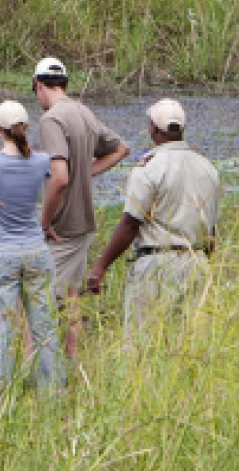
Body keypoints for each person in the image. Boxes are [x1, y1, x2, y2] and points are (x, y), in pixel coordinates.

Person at [86, 99, 222, 338]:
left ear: (153, 129)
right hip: (196, 262)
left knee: (143, 342)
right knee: (189, 340)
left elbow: (130, 224)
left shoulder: (148, 167)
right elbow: (211, 231)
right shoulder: (208, 168)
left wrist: (101, 266)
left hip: (156, 264)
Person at [31, 56, 129, 360]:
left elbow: (58, 178)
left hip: (62, 226)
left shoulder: (51, 120)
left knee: (41, 301)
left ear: (38, 85)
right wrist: (86, 173)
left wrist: (44, 223)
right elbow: (121, 148)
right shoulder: (83, 112)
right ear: (65, 84)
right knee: (72, 299)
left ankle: (42, 369)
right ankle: (74, 364)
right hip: (85, 222)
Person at [0, 101, 64, 399]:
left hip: (1, 251)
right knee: (45, 327)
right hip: (34, 249)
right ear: (26, 128)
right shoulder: (41, 161)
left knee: (4, 330)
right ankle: (51, 394)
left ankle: (2, 400)